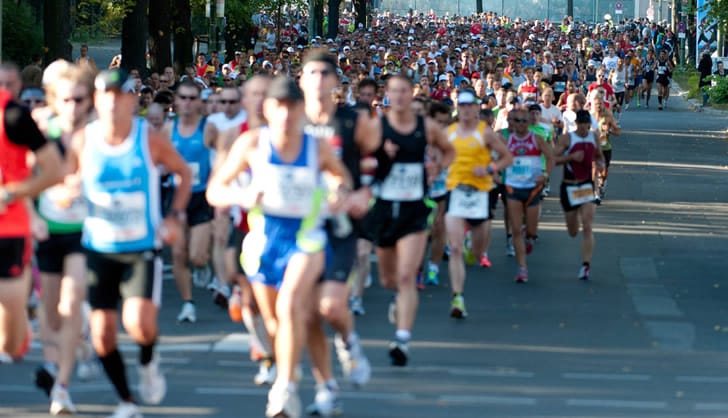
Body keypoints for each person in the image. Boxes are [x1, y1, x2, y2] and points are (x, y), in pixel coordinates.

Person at [206, 76, 352, 418]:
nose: (286, 115)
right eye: (279, 107)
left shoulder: (316, 146)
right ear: (267, 109)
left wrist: (337, 192)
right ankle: (325, 385)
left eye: (292, 107)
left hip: (307, 238)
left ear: (302, 110)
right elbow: (216, 190)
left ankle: (283, 389)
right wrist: (241, 196)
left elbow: (342, 177)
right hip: (264, 240)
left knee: (289, 308)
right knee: (282, 322)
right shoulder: (252, 144)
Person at [63, 69, 192, 417]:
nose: (113, 103)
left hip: (141, 247)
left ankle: (149, 363)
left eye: (120, 95)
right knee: (102, 335)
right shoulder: (83, 139)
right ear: (97, 100)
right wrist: (68, 193)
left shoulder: (148, 138)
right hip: (98, 247)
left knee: (139, 324)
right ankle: (127, 402)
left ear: (132, 100)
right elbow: (68, 181)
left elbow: (184, 173)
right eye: (106, 95)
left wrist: (174, 215)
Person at [298, 51, 388, 416]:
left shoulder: (354, 120)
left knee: (332, 306)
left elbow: (379, 160)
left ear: (336, 81)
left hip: (339, 225)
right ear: (301, 80)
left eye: (325, 73)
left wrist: (364, 192)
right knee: (306, 316)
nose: (318, 79)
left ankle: (349, 343)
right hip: (298, 226)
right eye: (311, 73)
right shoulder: (289, 120)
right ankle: (326, 388)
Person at [368, 74, 454, 366]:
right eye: (395, 92)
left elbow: (449, 150)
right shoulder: (375, 127)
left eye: (405, 91)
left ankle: (402, 340)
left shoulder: (426, 127)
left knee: (406, 275)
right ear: (388, 95)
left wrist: (436, 167)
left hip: (414, 206)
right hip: (384, 206)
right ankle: (397, 301)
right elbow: (360, 158)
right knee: (388, 278)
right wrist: (379, 156)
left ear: (411, 94)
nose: (400, 97)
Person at [31, 63, 99, 415]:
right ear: (55, 101)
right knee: (51, 313)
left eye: (79, 100)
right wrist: (31, 217)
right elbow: (24, 177)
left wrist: (78, 185)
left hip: (83, 232)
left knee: (72, 304)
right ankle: (55, 360)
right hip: (49, 230)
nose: (73, 107)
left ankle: (62, 387)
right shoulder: (42, 129)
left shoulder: (97, 134)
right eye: (66, 100)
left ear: (90, 102)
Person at [216, 75, 277, 386]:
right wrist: (222, 216)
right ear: (244, 99)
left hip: (284, 228)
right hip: (245, 226)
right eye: (253, 94)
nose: (259, 100)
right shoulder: (233, 137)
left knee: (279, 303)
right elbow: (218, 184)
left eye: (265, 94)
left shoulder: (290, 135)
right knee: (248, 296)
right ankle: (268, 353)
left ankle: (277, 353)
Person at [0, 81, 64, 364]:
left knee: (8, 345)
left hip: (9, 227)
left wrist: (12, 193)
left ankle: (18, 331)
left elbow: (52, 171)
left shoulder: (12, 115)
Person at [444, 89, 513, 316]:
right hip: (456, 192)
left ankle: (474, 251)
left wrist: (489, 169)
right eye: (461, 106)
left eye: (469, 105)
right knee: (454, 249)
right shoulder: (449, 133)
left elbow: (507, 157)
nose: (465, 109)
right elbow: (436, 155)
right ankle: (457, 298)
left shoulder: (485, 133)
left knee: (478, 247)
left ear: (476, 108)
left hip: (480, 194)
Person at [166, 80, 214, 323]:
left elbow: (224, 154)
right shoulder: (167, 130)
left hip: (201, 196)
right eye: (182, 98)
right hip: (176, 197)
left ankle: (202, 264)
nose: (186, 103)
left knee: (196, 256)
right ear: (175, 101)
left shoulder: (208, 129)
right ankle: (188, 303)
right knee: (178, 253)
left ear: (198, 102)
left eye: (191, 98)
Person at [553, 110, 605, 281]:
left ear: (589, 124)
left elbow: (599, 156)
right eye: (580, 124)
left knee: (588, 225)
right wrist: (571, 157)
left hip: (585, 186)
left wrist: (600, 163)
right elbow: (554, 159)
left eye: (586, 124)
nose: (583, 127)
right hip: (569, 186)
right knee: (573, 231)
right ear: (576, 124)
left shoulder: (594, 137)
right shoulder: (567, 139)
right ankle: (571, 218)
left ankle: (585, 265)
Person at [503, 107, 552, 283]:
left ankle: (530, 237)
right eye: (518, 121)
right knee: (516, 229)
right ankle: (522, 268)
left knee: (531, 230)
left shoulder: (537, 139)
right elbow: (496, 158)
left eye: (525, 121)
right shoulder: (506, 140)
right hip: (513, 187)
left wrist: (545, 175)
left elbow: (551, 157)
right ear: (512, 122)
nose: (521, 124)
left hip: (532, 188)